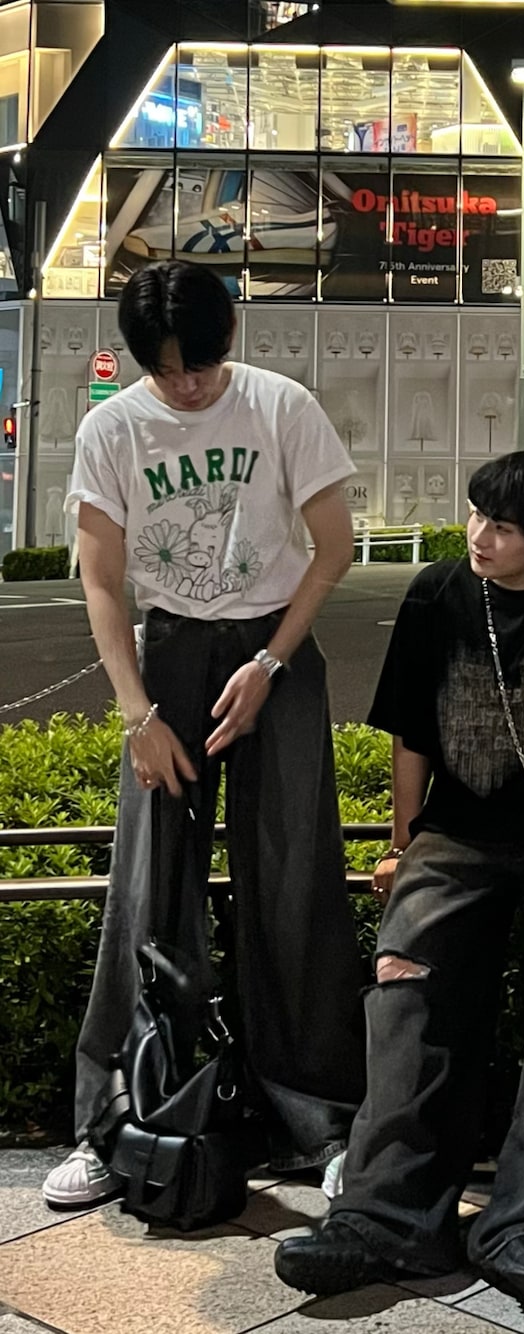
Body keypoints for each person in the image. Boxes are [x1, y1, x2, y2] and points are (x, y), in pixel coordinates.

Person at [274, 451, 524, 1309]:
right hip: (456, 832)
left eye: (503, 528)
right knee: (402, 972)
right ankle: (386, 1216)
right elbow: (412, 733)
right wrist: (402, 843)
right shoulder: (438, 594)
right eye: (477, 515)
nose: (480, 536)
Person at [43, 260, 367, 1209]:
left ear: (229, 340)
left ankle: (321, 1121)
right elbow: (102, 581)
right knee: (149, 885)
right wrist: (138, 714)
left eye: (201, 364)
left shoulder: (280, 405)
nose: (186, 384)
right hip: (171, 657)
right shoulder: (112, 428)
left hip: (275, 653)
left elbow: (335, 545)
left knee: (296, 879)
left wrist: (270, 664)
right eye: (166, 369)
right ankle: (116, 1120)